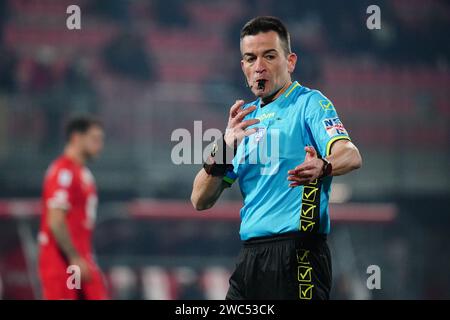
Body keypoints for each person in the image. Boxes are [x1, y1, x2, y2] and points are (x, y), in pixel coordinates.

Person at [191, 16, 362, 300]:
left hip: (299, 254)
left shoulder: (310, 104)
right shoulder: (243, 122)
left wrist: (324, 165)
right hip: (251, 258)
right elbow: (200, 199)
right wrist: (224, 146)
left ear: (290, 61)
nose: (260, 66)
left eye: (269, 56)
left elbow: (351, 155)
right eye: (251, 58)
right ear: (243, 66)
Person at [38, 116, 108, 300]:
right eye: (95, 139)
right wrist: (74, 257)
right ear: (77, 138)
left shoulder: (82, 174)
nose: (100, 145)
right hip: (62, 262)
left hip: (83, 259)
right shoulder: (63, 172)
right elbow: (55, 220)